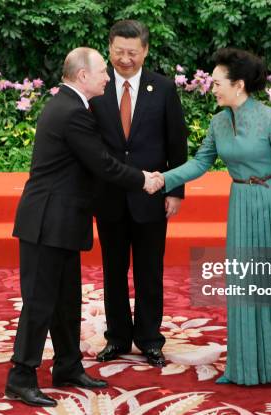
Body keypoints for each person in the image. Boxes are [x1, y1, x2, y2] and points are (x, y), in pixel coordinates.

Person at [5, 47, 163, 408]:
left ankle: (67, 366)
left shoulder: (70, 106)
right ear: (82, 77)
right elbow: (103, 164)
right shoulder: (72, 112)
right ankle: (20, 376)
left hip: (62, 220)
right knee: (40, 302)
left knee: (65, 299)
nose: (108, 77)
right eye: (103, 72)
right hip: (47, 221)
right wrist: (143, 180)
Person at [157, 48, 271, 390]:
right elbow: (200, 163)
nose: (212, 88)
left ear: (239, 85)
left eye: (217, 83)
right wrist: (162, 179)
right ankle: (244, 366)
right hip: (242, 206)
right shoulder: (218, 122)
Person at [91, 20, 188, 368]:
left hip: (152, 197)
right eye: (119, 52)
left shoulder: (162, 88)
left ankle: (149, 339)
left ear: (145, 50)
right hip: (110, 197)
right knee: (113, 272)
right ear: (109, 49)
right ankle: (117, 338)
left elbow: (177, 141)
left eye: (132, 52)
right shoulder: (97, 87)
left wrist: (175, 190)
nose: (125, 59)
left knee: (150, 272)